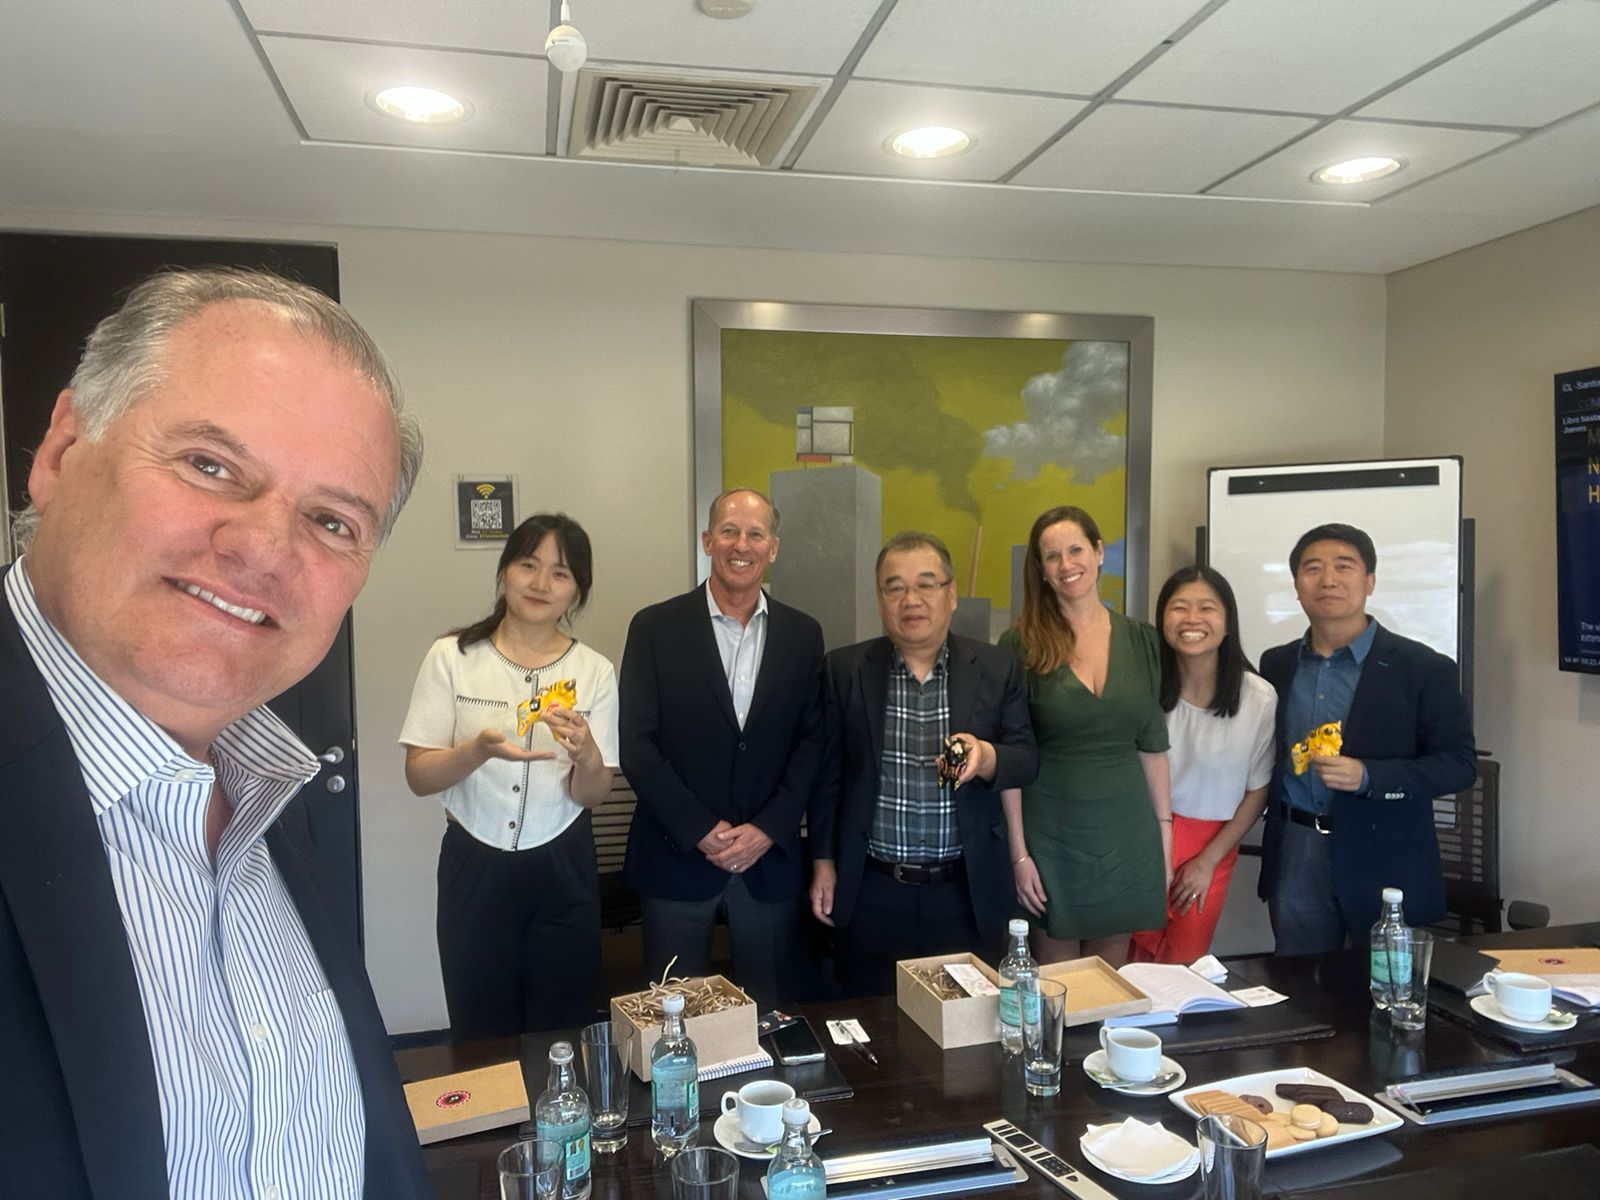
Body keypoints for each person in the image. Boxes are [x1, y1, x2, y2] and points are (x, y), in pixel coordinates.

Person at [0, 268, 431, 1197]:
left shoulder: (273, 794)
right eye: (209, 465)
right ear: (62, 449)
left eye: (331, 520)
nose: (264, 549)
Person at [400, 514, 617, 1037]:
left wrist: (587, 754)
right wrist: (476, 751)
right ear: (504, 573)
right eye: (528, 565)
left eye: (560, 573)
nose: (541, 583)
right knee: (479, 1025)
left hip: (563, 864)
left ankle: (557, 1096)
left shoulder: (594, 671)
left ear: (577, 591)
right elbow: (420, 777)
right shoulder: (452, 657)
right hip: (474, 864)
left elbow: (592, 795)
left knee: (563, 1026)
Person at [619, 487, 824, 1008]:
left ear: (773, 547)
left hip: (768, 863)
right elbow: (636, 744)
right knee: (673, 1016)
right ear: (708, 541)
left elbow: (811, 744)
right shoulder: (654, 628)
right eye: (729, 531)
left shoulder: (803, 635)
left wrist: (768, 829)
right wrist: (698, 830)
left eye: (755, 534)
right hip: (675, 859)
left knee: (770, 1013)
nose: (741, 544)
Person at [808, 532, 1037, 997]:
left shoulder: (996, 667)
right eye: (895, 587)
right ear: (880, 600)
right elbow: (828, 776)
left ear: (951, 595)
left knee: (966, 1022)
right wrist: (823, 863)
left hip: (964, 888)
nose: (910, 599)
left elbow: (1026, 759)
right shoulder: (845, 670)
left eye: (926, 585)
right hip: (873, 886)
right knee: (871, 1017)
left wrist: (985, 756)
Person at [1258, 523, 1476, 954]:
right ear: (1297, 587)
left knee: (1385, 985)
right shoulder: (1276, 664)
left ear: (1370, 581)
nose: (1328, 580)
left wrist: (1369, 776)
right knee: (1301, 983)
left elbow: (1459, 765)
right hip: (1297, 849)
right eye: (1312, 568)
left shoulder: (1423, 668)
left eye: (1344, 566)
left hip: (1386, 854)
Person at [1000, 505, 1173, 968]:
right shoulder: (1019, 645)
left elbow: (1153, 747)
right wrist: (1019, 855)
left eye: (1075, 550)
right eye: (1051, 556)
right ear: (1040, 569)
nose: (1066, 564)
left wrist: (1164, 841)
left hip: (1126, 832)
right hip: (1050, 834)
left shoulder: (1144, 641)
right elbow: (1010, 759)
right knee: (1057, 983)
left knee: (1110, 982)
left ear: (1098, 553)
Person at [1129, 566, 1276, 964]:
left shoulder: (1258, 698)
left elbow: (1258, 789)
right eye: (1179, 607)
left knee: (1183, 965)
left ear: (1228, 623)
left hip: (1211, 845)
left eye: (1207, 608)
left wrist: (1208, 861)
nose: (1192, 619)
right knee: (1124, 962)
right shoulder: (1142, 686)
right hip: (1138, 839)